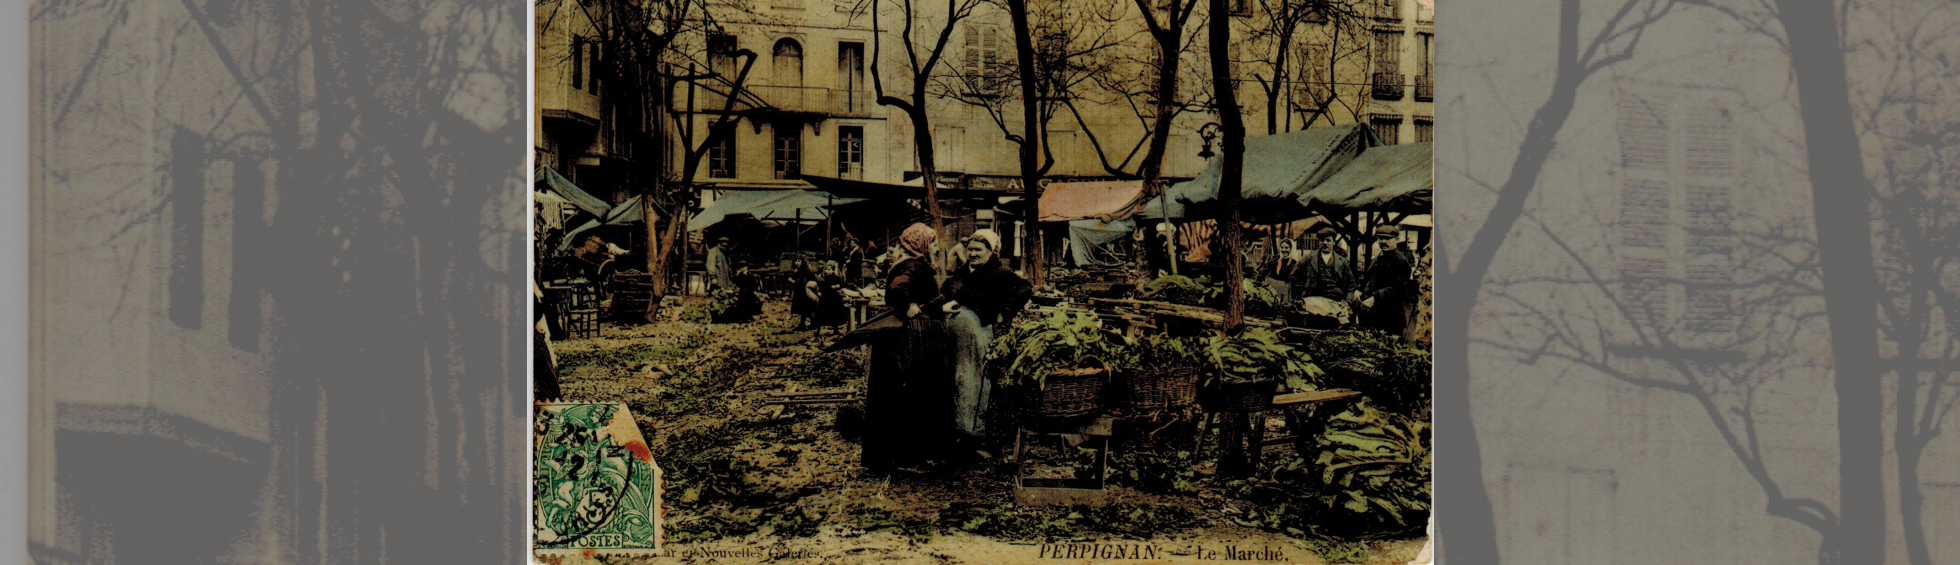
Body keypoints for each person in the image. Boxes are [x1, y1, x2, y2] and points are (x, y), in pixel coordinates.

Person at [862, 223, 955, 473]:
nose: (936, 247)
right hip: (911, 341)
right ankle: (906, 458)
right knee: (912, 393)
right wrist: (907, 305)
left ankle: (905, 456)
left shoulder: (915, 262)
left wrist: (933, 306)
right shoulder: (912, 265)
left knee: (911, 394)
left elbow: (919, 298)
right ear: (920, 243)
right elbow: (897, 289)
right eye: (932, 242)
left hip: (913, 336)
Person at [938, 230, 1033, 451]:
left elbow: (1024, 289)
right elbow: (944, 292)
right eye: (970, 249)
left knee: (977, 381)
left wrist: (1003, 313)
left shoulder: (1001, 273)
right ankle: (957, 430)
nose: (972, 253)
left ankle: (975, 434)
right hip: (955, 338)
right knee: (956, 379)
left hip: (981, 336)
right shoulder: (961, 273)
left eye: (978, 250)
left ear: (991, 252)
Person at [1360, 226, 1416, 339]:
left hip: (1391, 316)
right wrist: (1359, 289)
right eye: (1380, 238)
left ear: (1396, 239)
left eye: (1388, 239)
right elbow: (1368, 277)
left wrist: (1375, 297)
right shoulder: (1378, 258)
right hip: (1374, 314)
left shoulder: (1400, 261)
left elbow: (1397, 288)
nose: (1383, 242)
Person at [1295, 230, 1355, 302]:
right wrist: (1303, 291)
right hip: (1313, 300)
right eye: (1322, 240)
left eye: (1328, 240)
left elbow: (1351, 283)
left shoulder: (1342, 261)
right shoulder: (1308, 258)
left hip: (1336, 300)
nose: (1325, 243)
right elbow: (1294, 275)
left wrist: (1347, 300)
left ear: (1334, 242)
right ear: (1319, 242)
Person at [815, 261, 850, 332]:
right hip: (825, 298)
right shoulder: (823, 278)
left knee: (835, 314)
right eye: (826, 269)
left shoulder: (836, 278)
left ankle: (836, 329)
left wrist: (838, 286)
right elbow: (822, 288)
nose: (827, 271)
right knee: (822, 314)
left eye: (829, 269)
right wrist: (831, 287)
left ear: (833, 270)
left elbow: (841, 285)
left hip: (834, 298)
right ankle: (819, 330)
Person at [791, 258, 818, 330]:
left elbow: (812, 280)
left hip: (805, 292)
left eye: (799, 261)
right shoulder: (797, 271)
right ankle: (802, 323)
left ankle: (813, 323)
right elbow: (793, 278)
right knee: (803, 309)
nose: (797, 263)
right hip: (799, 292)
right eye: (796, 261)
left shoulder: (806, 271)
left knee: (808, 308)